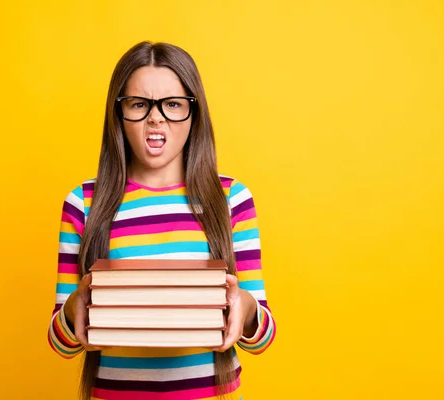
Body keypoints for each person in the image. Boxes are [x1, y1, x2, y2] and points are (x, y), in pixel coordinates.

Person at [47, 41, 276, 400]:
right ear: (118, 115)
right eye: (139, 105)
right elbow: (61, 343)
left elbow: (263, 335)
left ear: (193, 113)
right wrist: (79, 302)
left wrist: (244, 307)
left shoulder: (231, 199)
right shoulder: (84, 203)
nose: (156, 117)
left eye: (172, 105)